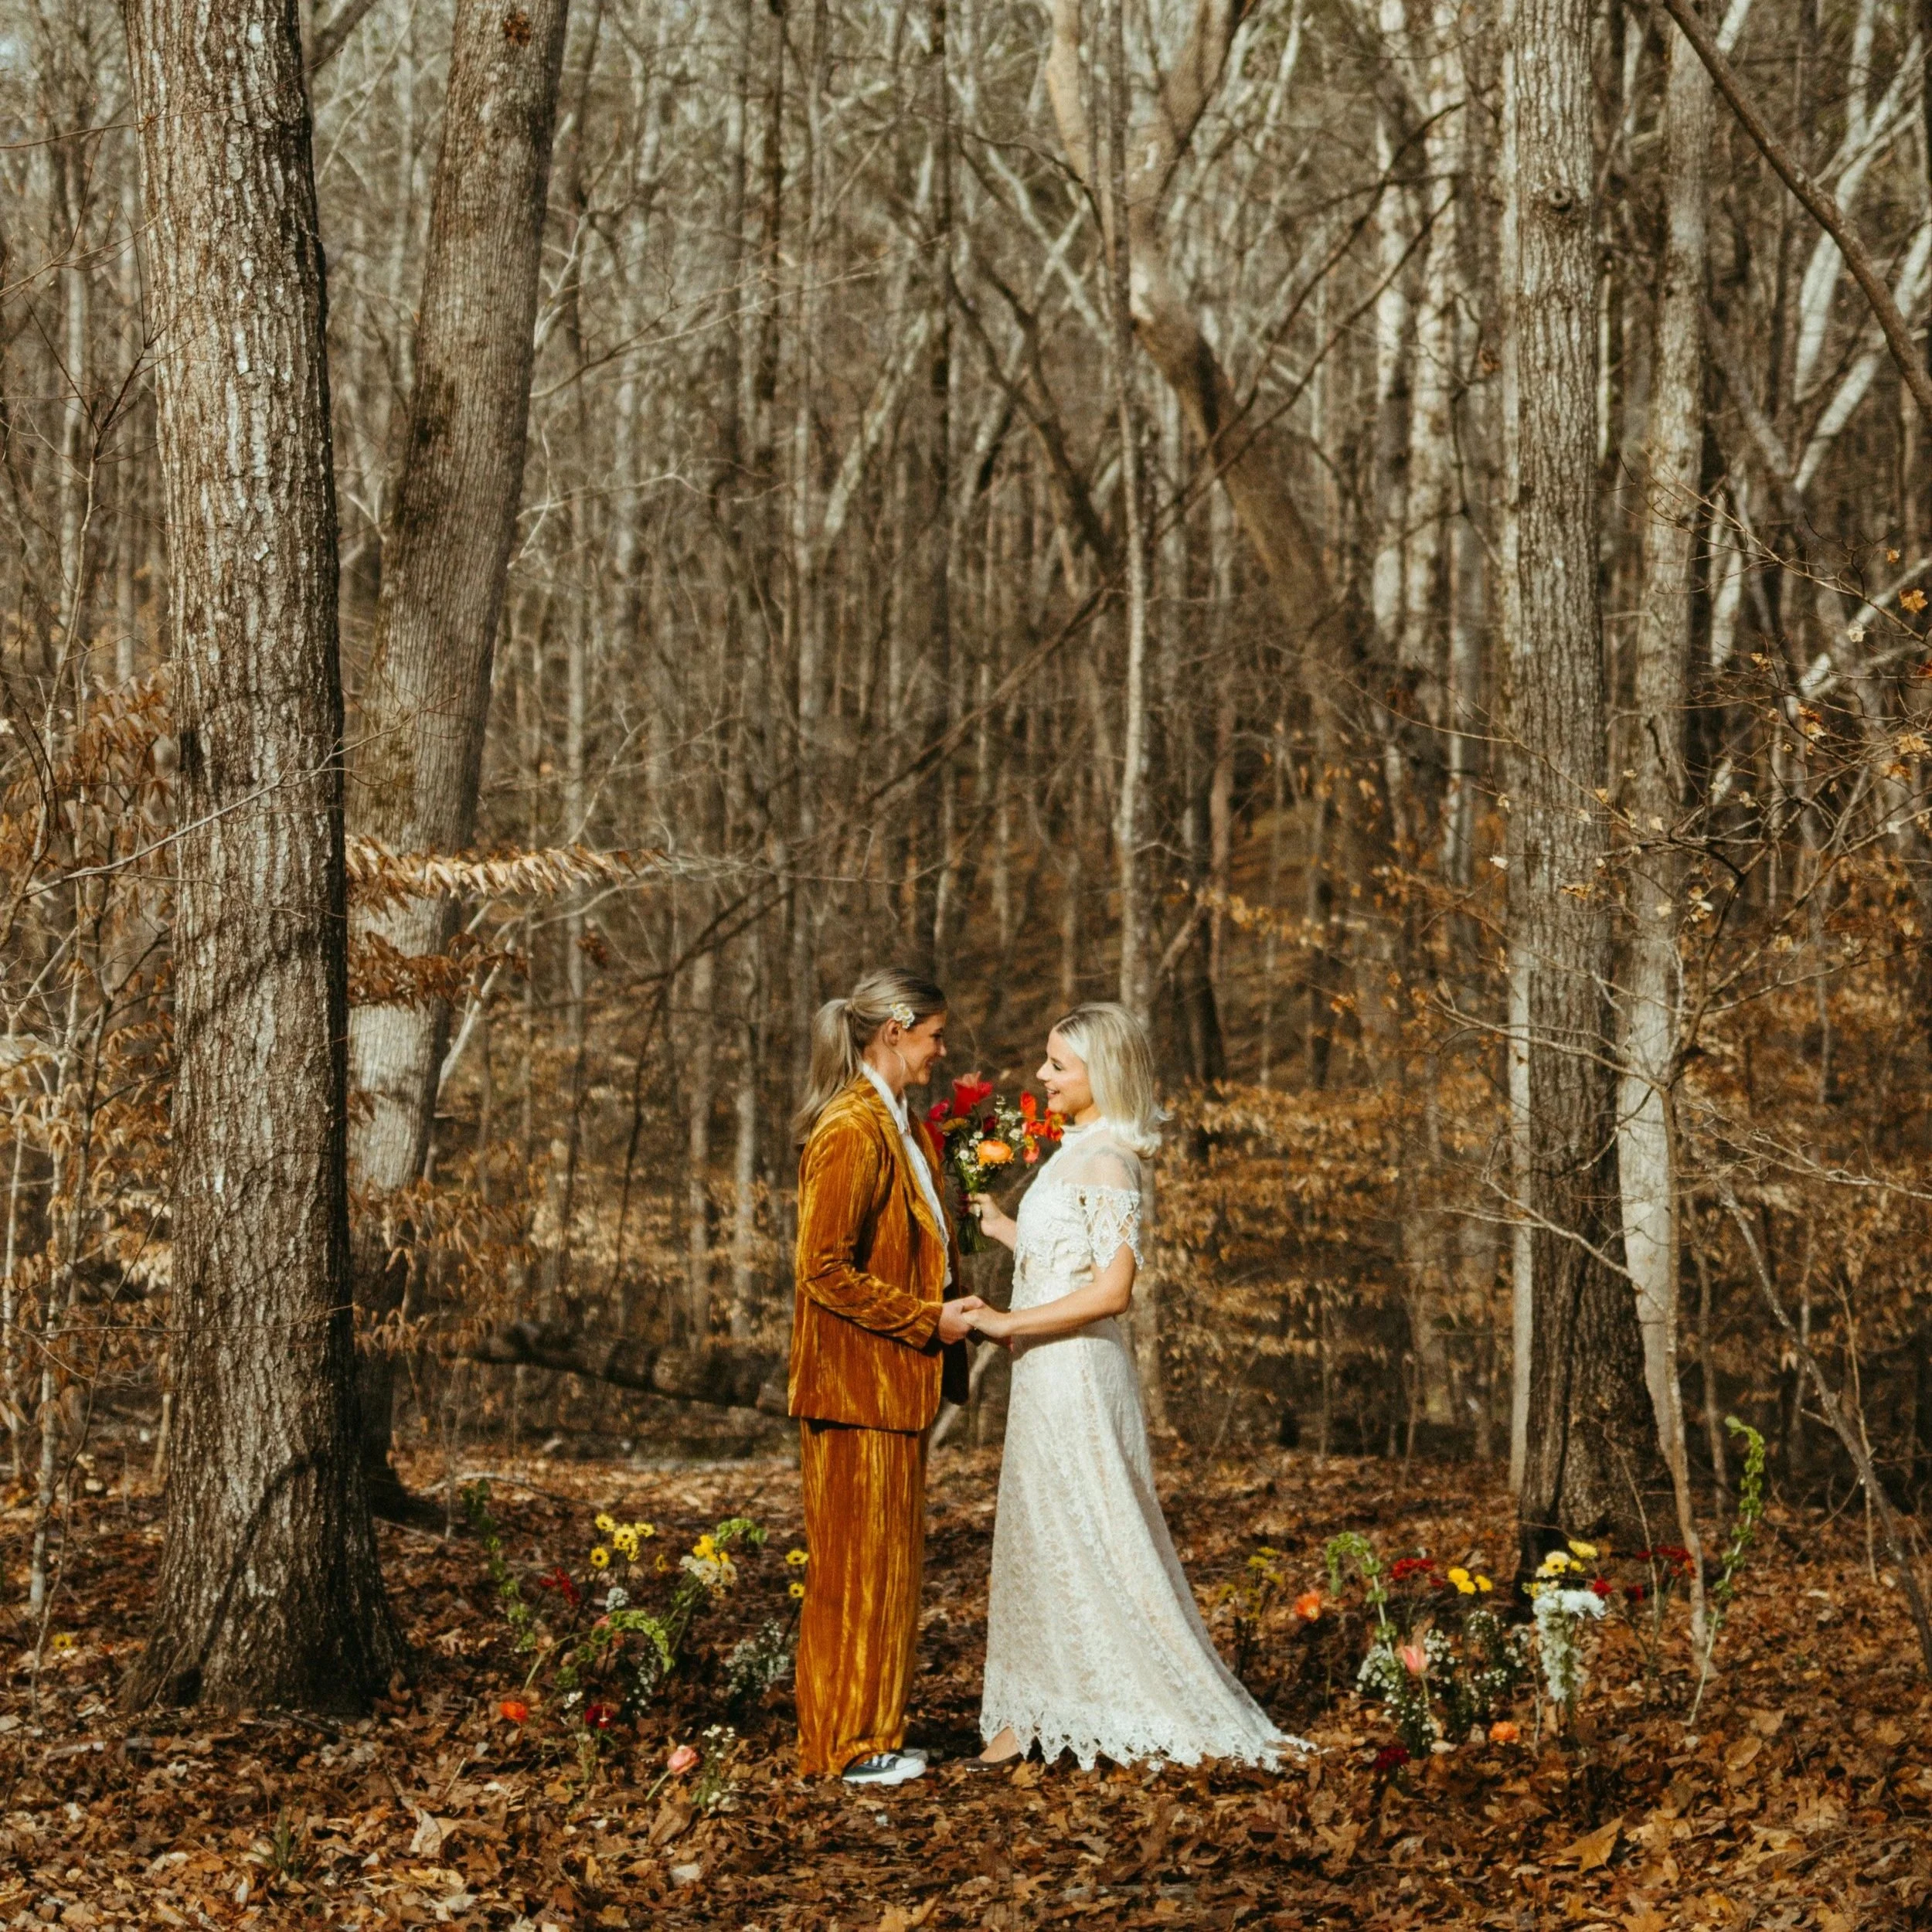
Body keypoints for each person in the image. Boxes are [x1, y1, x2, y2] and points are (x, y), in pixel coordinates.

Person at [964, 1002, 1302, 1770]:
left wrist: (1007, 1323)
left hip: (1077, 1372)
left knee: (1090, 1525)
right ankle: (1029, 1709)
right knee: (1041, 1532)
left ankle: (1117, 1699)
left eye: (1058, 1065)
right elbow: (1066, 1259)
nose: (1042, 1076)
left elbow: (1113, 1289)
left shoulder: (1110, 1160)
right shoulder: (1075, 1151)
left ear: (1102, 1072)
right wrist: (1004, 1228)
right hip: (1044, 1372)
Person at [788, 968, 986, 1787]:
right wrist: (924, 1319)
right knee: (851, 1573)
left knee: (887, 1572)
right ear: (894, 1031)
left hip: (896, 1387)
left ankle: (874, 1734)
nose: (942, 1052)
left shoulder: (903, 1126)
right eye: (935, 1036)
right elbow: (821, 1269)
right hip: (853, 1388)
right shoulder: (850, 1127)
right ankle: (841, 1744)